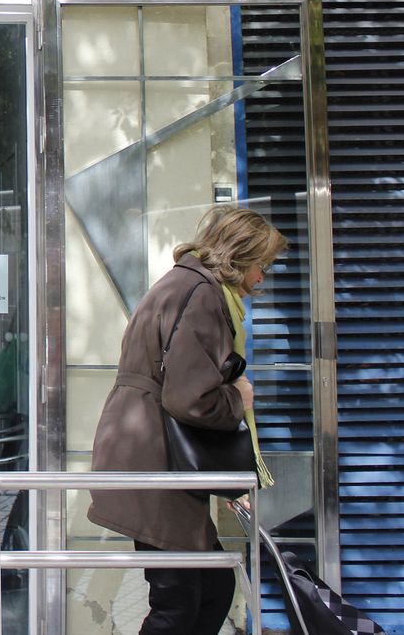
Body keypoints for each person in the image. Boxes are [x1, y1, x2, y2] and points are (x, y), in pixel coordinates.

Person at [88, 205, 286, 635]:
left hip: (147, 452)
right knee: (178, 602)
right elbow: (189, 400)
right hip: (153, 458)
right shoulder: (203, 295)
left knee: (210, 585)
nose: (261, 280)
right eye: (261, 266)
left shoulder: (183, 283)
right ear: (239, 257)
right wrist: (238, 396)